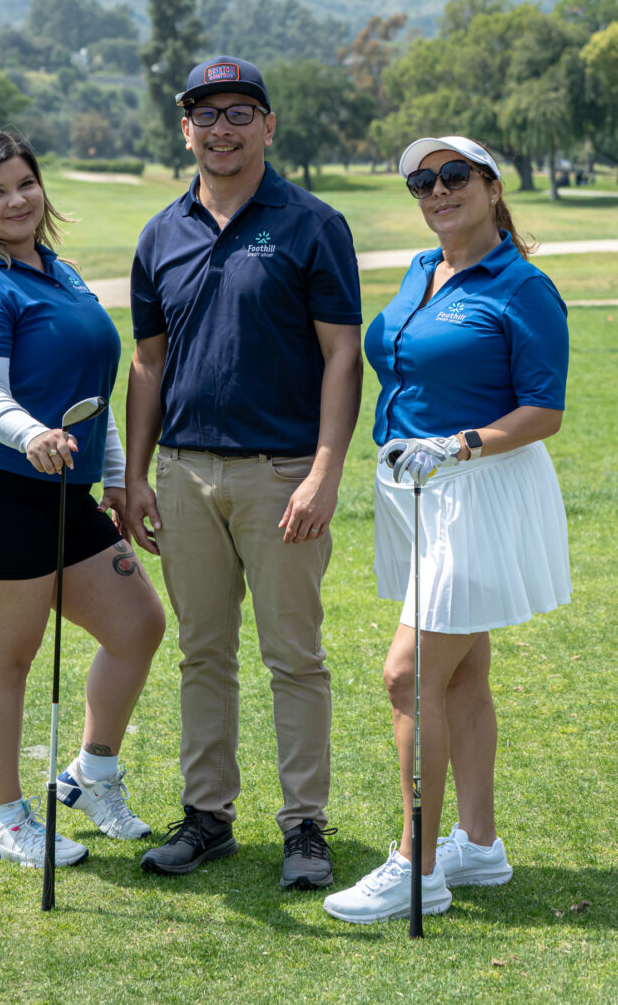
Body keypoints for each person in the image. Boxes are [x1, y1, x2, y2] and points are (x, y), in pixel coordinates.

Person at [125, 57, 363, 888]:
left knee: (294, 656)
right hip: (185, 475)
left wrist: (326, 470)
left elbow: (342, 354)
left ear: (267, 126)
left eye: (239, 112)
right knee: (202, 654)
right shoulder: (160, 234)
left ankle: (304, 825)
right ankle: (208, 816)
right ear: (184, 130)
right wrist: (136, 473)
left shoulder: (311, 223)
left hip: (282, 473)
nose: (221, 129)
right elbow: (148, 365)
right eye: (205, 114)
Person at [323, 135, 571, 924]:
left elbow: (546, 409)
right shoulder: (420, 272)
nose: (437, 190)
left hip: (479, 488)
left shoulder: (523, 286)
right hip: (416, 489)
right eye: (422, 181)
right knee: (461, 671)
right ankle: (482, 844)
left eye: (454, 175)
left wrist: (457, 443)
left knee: (409, 673)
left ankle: (417, 865)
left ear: (493, 186)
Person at [0, 130, 165, 870]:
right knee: (9, 662)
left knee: (138, 625)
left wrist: (119, 476)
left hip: (66, 487)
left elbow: (90, 397)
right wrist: (31, 433)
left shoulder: (60, 274)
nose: (16, 200)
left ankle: (91, 774)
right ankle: (7, 821)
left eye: (24, 183)